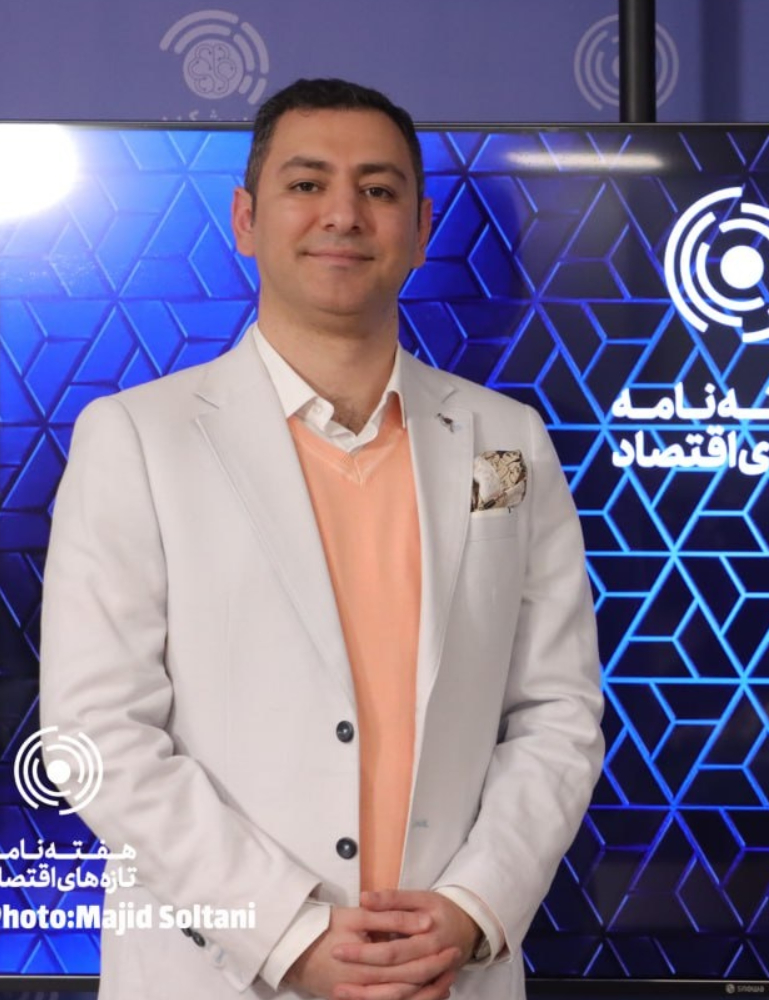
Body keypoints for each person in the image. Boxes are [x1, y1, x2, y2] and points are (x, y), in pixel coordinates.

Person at [39, 78, 605, 1000]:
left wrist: (473, 907)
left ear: (421, 230)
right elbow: (95, 732)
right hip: (220, 975)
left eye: (378, 190)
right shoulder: (137, 437)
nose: (343, 214)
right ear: (246, 218)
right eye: (307, 185)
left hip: (446, 974)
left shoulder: (506, 442)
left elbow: (557, 711)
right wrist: (287, 932)